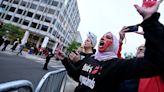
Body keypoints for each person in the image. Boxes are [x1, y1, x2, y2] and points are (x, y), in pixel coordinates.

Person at [55, 0, 164, 92]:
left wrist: (151, 22)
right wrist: (64, 59)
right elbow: (77, 75)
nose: (103, 38)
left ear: (115, 46)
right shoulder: (91, 59)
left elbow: (153, 62)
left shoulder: (117, 65)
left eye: (109, 37)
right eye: (103, 36)